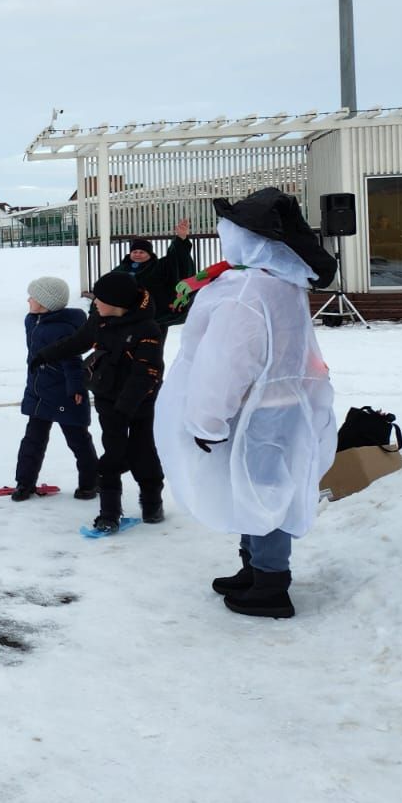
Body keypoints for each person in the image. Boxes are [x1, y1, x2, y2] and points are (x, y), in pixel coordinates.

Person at [155, 189, 339, 619]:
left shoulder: (247, 292)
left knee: (263, 492)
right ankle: (255, 569)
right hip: (277, 406)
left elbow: (227, 362)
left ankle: (271, 585)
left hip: (254, 411)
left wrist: (206, 421)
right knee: (257, 487)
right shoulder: (280, 282)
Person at [33, 271, 166, 533]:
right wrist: (45, 355)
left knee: (143, 452)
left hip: (139, 404)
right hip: (107, 398)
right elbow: (77, 342)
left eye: (99, 299)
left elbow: (145, 374)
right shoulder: (100, 321)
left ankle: (152, 502)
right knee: (112, 455)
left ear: (117, 303)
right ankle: (109, 512)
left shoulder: (147, 329)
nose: (94, 303)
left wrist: (125, 409)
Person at [13, 276, 99, 501]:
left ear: (45, 303)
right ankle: (24, 482)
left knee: (78, 440)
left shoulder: (62, 328)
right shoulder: (32, 320)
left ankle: (91, 483)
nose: (28, 300)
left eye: (33, 296)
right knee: (32, 440)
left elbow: (72, 360)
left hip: (64, 393)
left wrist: (76, 389)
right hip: (38, 392)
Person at [119, 218, 196, 339]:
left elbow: (175, 259)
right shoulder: (121, 269)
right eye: (135, 252)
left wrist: (181, 239)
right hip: (127, 320)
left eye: (142, 252)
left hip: (156, 319)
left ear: (149, 255)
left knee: (152, 352)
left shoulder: (159, 267)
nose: (138, 254)